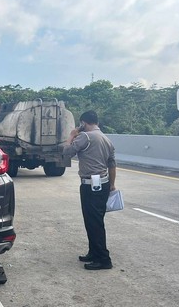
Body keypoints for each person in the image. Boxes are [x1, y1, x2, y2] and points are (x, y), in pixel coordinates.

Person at [62, 110, 116, 270]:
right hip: (103, 183)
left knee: (94, 222)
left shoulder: (85, 137)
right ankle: (94, 252)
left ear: (83, 123)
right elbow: (112, 164)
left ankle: (104, 259)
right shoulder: (106, 139)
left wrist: (71, 136)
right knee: (94, 220)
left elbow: (67, 153)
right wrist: (112, 185)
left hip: (90, 185)